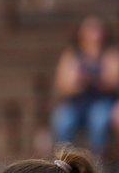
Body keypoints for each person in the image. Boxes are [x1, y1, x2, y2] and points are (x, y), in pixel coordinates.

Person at [50, 15, 119, 159]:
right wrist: (79, 83)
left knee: (98, 120)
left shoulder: (109, 54)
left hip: (102, 101)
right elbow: (63, 85)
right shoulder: (72, 55)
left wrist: (95, 80)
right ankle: (64, 159)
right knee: (63, 121)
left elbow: (113, 81)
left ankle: (98, 161)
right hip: (77, 103)